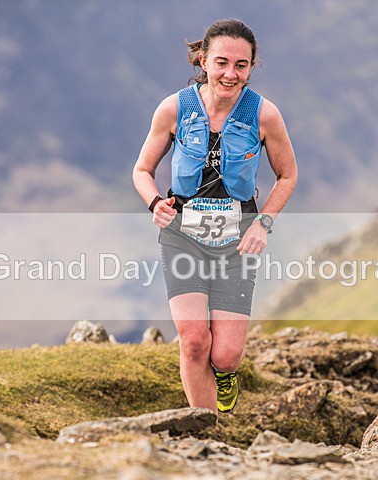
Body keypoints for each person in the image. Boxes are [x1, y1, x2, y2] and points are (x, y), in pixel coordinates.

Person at [132, 19, 298, 413]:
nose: (230, 73)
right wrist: (156, 203)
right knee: (193, 341)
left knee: (224, 355)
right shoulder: (174, 108)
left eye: (241, 65)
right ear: (203, 60)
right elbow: (141, 170)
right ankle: (205, 431)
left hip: (237, 243)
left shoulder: (265, 115)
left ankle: (225, 374)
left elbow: (288, 175)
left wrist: (264, 223)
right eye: (222, 62)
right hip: (182, 235)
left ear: (252, 67)